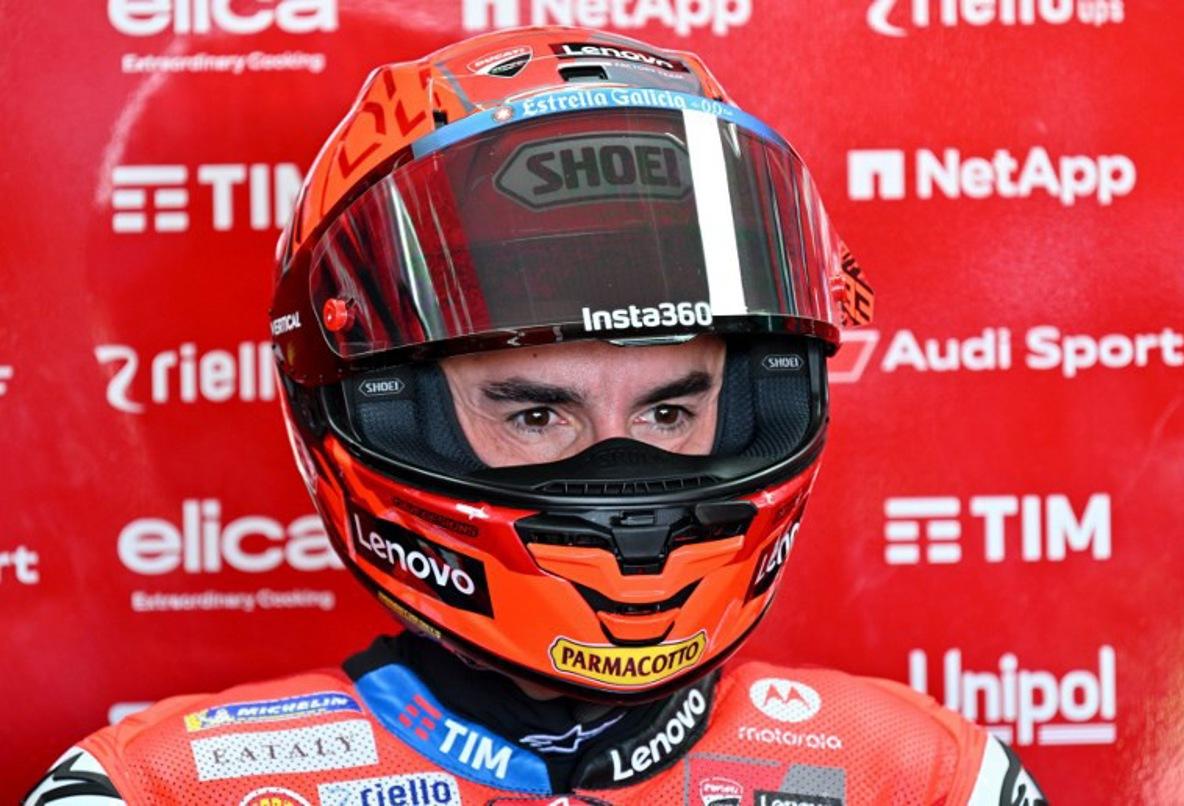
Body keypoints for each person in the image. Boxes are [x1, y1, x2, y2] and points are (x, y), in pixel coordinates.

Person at [25, 27, 1047, 805]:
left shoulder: (918, 776)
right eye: (538, 412)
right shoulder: (167, 788)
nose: (621, 468)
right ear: (383, 411)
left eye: (671, 406)